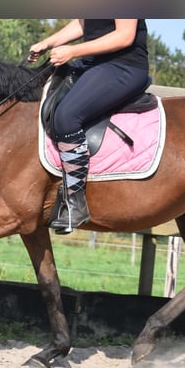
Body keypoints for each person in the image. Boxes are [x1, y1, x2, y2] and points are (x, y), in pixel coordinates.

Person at [28, 19, 149, 234]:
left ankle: (74, 202)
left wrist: (73, 51)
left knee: (67, 116)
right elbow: (83, 24)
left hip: (124, 66)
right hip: (94, 64)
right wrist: (46, 43)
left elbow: (125, 36)